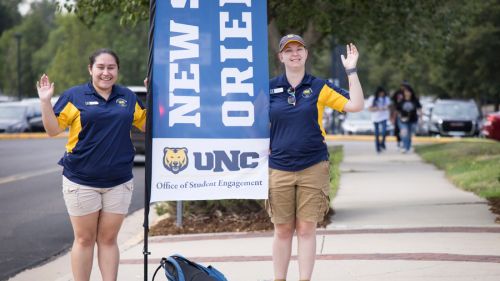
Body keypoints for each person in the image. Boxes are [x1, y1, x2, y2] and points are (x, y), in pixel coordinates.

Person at [36, 49, 146, 281]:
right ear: (90, 70)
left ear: (117, 70)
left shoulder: (128, 97)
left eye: (111, 68)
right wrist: (45, 102)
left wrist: (156, 95)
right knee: (85, 239)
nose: (106, 72)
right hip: (81, 180)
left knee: (108, 239)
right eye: (101, 67)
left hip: (119, 181)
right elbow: (52, 129)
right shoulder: (75, 96)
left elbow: (148, 126)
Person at [267, 34, 364, 281]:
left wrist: (351, 71)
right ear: (281, 57)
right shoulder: (268, 88)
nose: (294, 54)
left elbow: (355, 105)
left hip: (313, 166)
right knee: (282, 229)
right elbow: (245, 119)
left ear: (306, 54)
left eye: (299, 49)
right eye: (288, 51)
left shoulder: (319, 86)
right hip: (279, 167)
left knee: (307, 228)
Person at [396, 82, 421, 153]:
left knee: (409, 134)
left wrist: (421, 119)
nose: (407, 93)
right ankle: (405, 147)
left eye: (408, 92)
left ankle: (408, 146)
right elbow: (397, 110)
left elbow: (419, 109)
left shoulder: (415, 100)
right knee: (404, 133)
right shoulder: (401, 100)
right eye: (406, 92)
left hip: (413, 120)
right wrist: (400, 117)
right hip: (403, 120)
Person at [368, 86, 391, 153]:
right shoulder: (372, 98)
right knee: (377, 134)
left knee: (384, 132)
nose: (382, 94)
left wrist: (385, 108)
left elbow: (389, 107)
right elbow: (369, 109)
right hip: (375, 118)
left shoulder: (386, 98)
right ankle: (377, 148)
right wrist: (377, 108)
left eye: (383, 93)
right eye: (381, 93)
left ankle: (382, 143)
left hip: (384, 117)